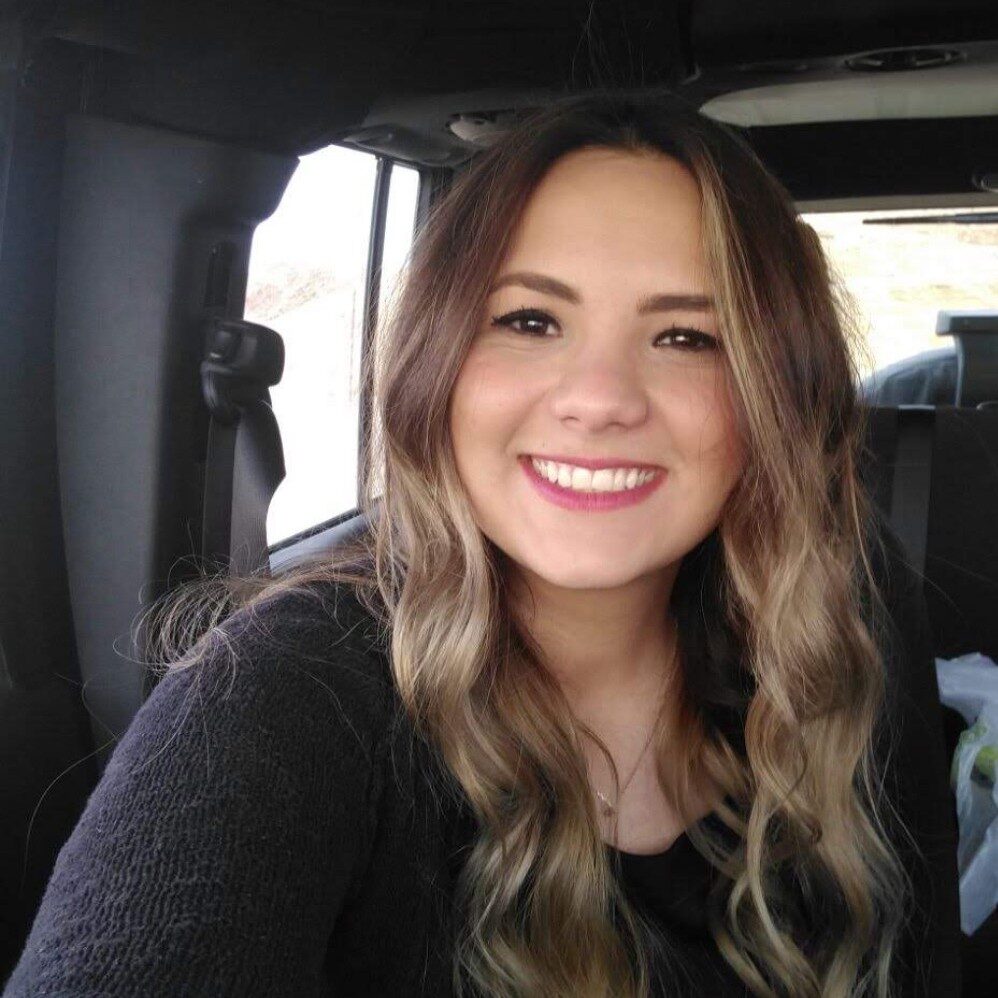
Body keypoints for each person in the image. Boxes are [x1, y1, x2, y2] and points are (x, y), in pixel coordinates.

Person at [3, 89, 960, 997]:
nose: (599, 400)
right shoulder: (276, 699)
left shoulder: (844, 631)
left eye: (686, 337)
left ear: (776, 393)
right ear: (439, 366)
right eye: (529, 320)